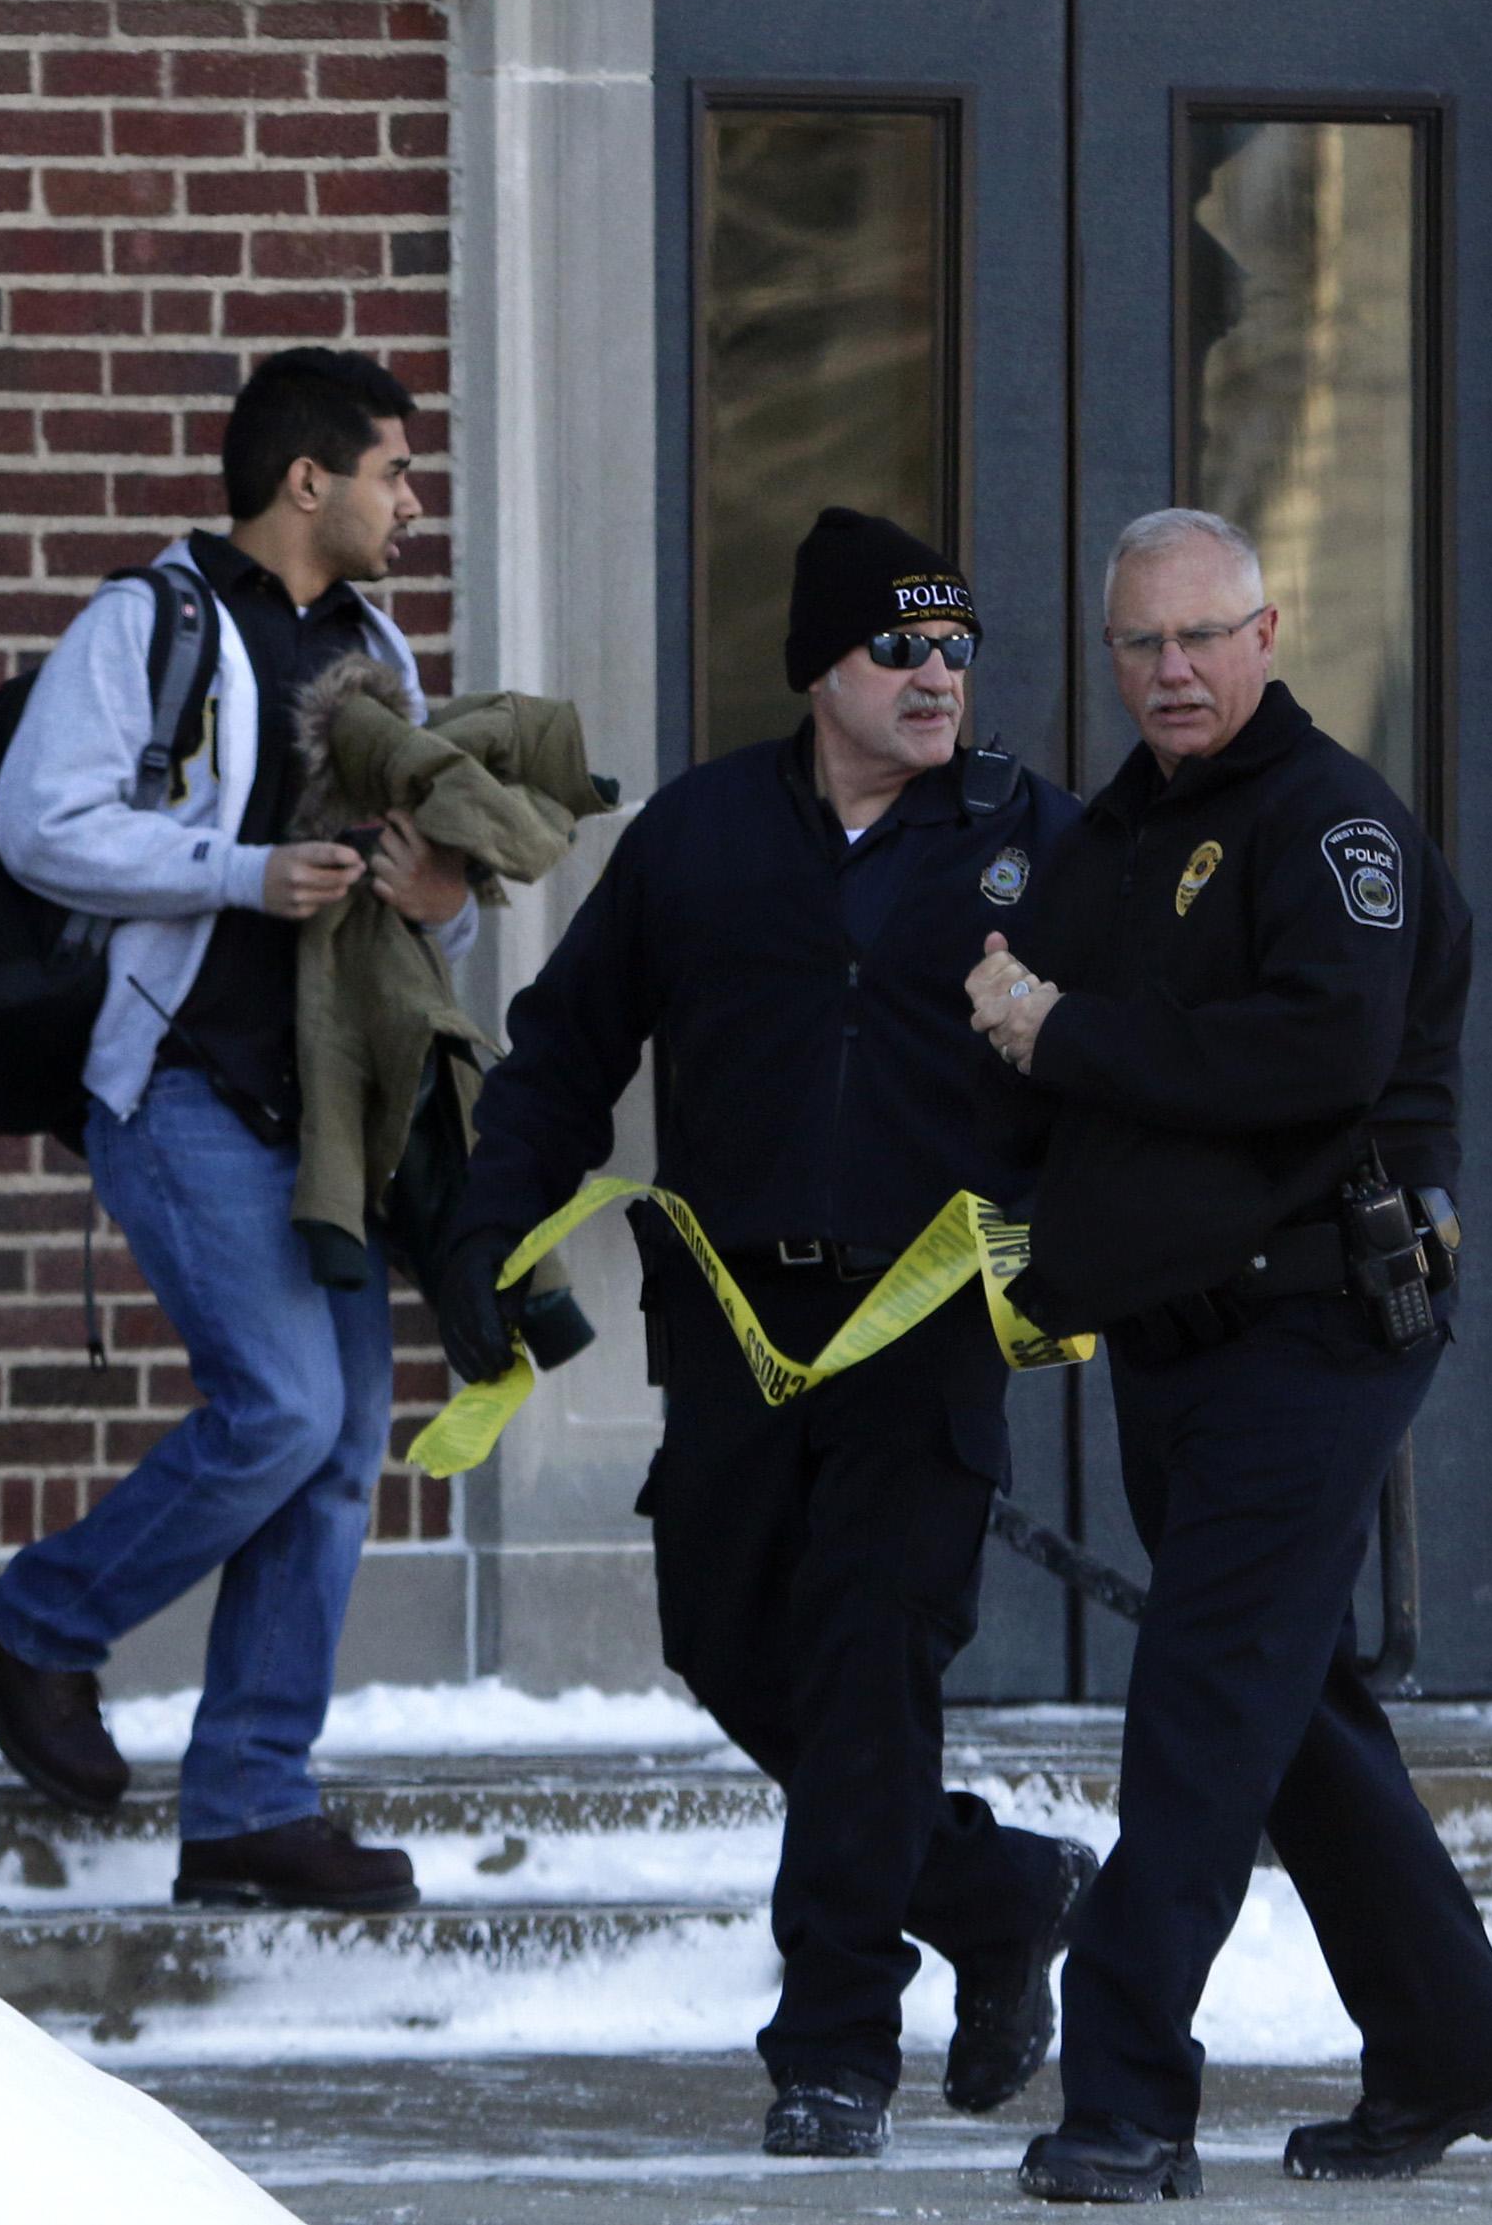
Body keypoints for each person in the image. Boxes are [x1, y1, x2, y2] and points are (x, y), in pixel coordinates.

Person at [441, 507, 1097, 2160]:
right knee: (730, 1643)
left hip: (929, 1312)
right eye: (899, 646)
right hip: (732, 1316)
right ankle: (996, 1885)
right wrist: (482, 1219)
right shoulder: (699, 837)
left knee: (870, 1660)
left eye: (957, 646)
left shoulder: (1037, 842)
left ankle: (833, 2046)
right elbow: (563, 1049)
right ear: (820, 667)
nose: (936, 674)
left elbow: (1134, 1055)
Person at [975, 508, 1492, 2201]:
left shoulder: (1332, 823)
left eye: (1200, 636)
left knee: (1205, 1704)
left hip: (1317, 1326)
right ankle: (1456, 2045)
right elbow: (1029, 1039)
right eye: (1138, 645)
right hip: (1176, 1337)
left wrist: (1063, 1027)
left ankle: (1129, 2095)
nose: (1170, 670)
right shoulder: (1114, 842)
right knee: (1282, 1697)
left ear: (1266, 631)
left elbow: (1318, 1050)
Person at [0, 346, 471, 1911]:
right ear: (307, 478)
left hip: (336, 1102)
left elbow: (416, 914)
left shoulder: (374, 647)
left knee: (337, 1446)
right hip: (179, 1083)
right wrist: (240, 874)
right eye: (391, 470)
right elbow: (42, 821)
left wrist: (438, 897)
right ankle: (36, 1625)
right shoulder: (153, 621)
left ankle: (249, 1800)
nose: (409, 501)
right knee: (285, 1412)